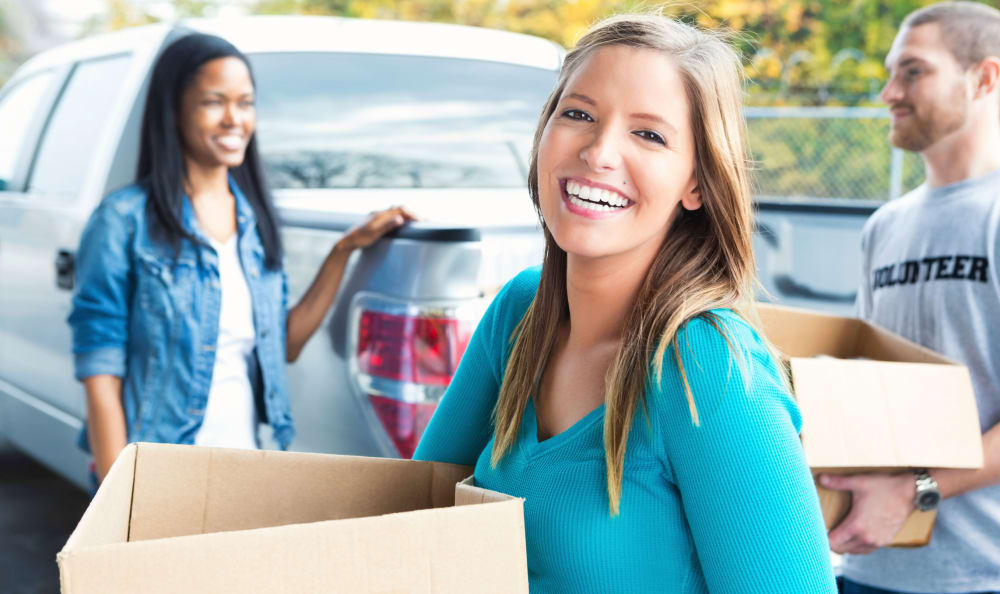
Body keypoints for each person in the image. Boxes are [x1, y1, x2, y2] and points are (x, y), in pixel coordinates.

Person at [413, 13, 836, 593]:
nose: (599, 151)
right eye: (579, 114)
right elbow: (411, 517)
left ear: (697, 183)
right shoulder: (520, 312)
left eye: (650, 134)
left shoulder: (705, 368)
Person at [68, 33, 414, 483]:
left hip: (241, 467)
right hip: (158, 472)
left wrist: (343, 251)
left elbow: (284, 345)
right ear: (173, 110)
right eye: (214, 102)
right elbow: (101, 373)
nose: (235, 118)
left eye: (246, 102)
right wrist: (120, 497)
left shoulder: (254, 222)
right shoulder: (122, 221)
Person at [821, 3, 1000, 593]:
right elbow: (869, 385)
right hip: (871, 563)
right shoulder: (885, 226)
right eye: (890, 72)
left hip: (979, 575)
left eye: (913, 71)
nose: (887, 92)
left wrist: (914, 488)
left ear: (985, 78)